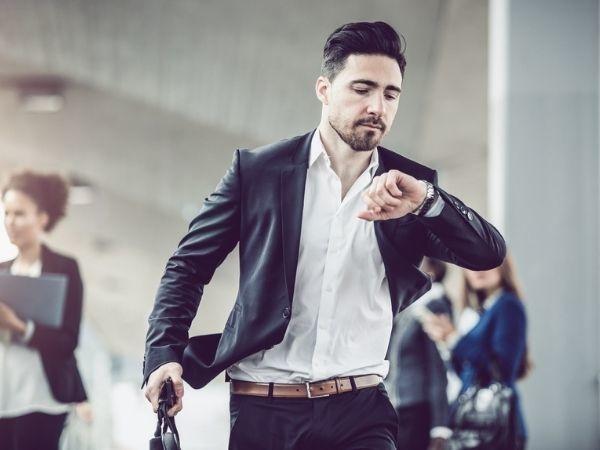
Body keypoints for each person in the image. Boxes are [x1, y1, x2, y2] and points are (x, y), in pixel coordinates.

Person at [143, 21, 506, 450]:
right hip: (264, 410)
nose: (378, 106)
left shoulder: (408, 188)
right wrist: (163, 354)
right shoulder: (257, 172)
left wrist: (427, 199)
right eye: (362, 88)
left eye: (391, 94)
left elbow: (488, 253)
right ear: (324, 89)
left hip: (362, 412)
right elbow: (189, 265)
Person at [0, 170, 87, 450]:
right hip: (4, 395)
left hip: (43, 397)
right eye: (7, 213)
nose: (10, 222)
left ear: (42, 218)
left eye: (20, 214)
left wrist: (20, 327)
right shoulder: (1, 272)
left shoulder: (64, 268)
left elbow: (68, 340)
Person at [422, 255, 530, 450]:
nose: (478, 270)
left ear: (502, 267)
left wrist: (455, 339)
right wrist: (448, 342)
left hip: (496, 425)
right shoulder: (483, 310)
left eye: (487, 263)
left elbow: (502, 370)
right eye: (471, 264)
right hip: (476, 424)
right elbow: (466, 372)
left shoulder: (507, 305)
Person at [385, 257, 452, 450]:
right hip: (396, 408)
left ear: (434, 268)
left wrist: (440, 427)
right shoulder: (406, 307)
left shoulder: (435, 306)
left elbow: (438, 368)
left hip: (417, 410)